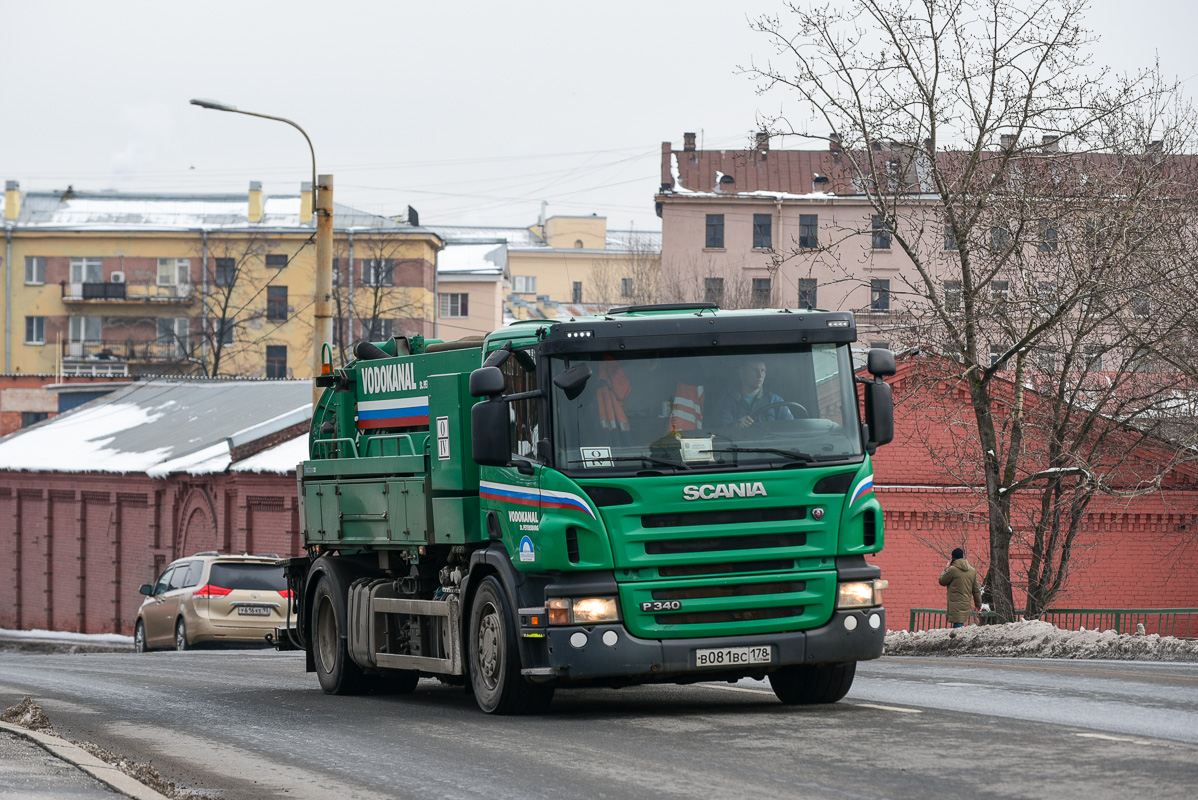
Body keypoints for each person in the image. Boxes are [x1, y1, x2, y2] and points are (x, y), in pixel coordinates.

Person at [714, 360, 793, 428]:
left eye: (762, 371)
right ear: (742, 373)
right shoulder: (727, 401)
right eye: (755, 370)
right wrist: (737, 425)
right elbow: (720, 429)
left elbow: (790, 428)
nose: (760, 375)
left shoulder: (776, 401)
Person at [939, 547, 984, 628]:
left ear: (953, 558)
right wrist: (978, 604)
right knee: (960, 624)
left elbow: (942, 581)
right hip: (966, 603)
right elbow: (976, 590)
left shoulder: (952, 570)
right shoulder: (972, 570)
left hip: (955, 603)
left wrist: (946, 568)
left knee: (957, 627)